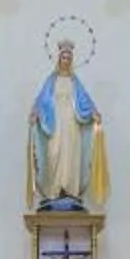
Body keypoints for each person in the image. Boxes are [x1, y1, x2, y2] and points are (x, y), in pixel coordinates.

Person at [27, 39, 108, 211]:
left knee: (70, 154)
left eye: (69, 58)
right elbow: (42, 99)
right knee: (54, 153)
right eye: (64, 57)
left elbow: (84, 101)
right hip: (55, 124)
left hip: (71, 124)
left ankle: (70, 190)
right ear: (59, 59)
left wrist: (94, 112)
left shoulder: (74, 82)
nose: (66, 61)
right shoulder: (51, 80)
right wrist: (35, 112)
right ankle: (54, 191)